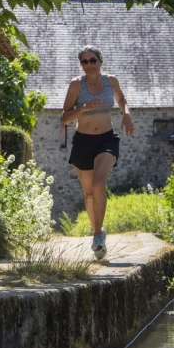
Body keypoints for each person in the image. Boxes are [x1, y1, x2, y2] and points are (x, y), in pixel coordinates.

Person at [60, 46, 135, 259]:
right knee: (89, 194)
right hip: (83, 141)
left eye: (93, 60)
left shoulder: (111, 81)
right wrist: (82, 108)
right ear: (81, 65)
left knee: (99, 183)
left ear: (100, 62)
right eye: (84, 61)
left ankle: (98, 238)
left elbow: (121, 100)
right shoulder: (76, 85)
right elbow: (64, 118)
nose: (89, 65)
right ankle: (98, 232)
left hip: (106, 139)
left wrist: (126, 115)